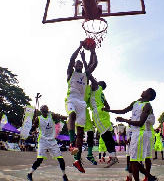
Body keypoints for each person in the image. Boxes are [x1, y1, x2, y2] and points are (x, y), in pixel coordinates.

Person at [106, 88, 158, 181]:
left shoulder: (147, 106)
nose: (143, 91)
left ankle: (148, 177)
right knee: (133, 161)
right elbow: (123, 111)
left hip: (140, 134)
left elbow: (140, 123)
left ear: (149, 96)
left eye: (146, 91)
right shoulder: (136, 102)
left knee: (135, 161)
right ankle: (150, 177)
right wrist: (109, 110)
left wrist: (124, 120)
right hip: (135, 134)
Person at [65, 41, 97, 173]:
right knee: (71, 115)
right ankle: (71, 144)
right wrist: (79, 46)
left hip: (81, 103)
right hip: (71, 99)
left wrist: (93, 50)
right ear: (74, 66)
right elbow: (72, 58)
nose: (78, 64)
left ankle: (77, 160)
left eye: (80, 63)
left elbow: (94, 64)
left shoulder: (85, 75)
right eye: (77, 63)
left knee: (80, 132)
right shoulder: (70, 73)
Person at [27, 105, 68, 181]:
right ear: (41, 111)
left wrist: (69, 117)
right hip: (43, 141)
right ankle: (30, 174)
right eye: (44, 112)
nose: (45, 113)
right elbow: (33, 127)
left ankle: (64, 175)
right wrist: (32, 131)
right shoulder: (38, 119)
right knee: (39, 160)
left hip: (52, 141)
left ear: (48, 111)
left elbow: (61, 117)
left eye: (46, 111)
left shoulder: (51, 116)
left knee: (61, 159)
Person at [89, 75, 118, 168]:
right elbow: (108, 107)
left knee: (106, 136)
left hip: (98, 112)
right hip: (103, 113)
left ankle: (113, 157)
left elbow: (89, 75)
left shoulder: (96, 88)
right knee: (107, 135)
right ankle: (113, 156)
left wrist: (86, 63)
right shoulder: (101, 93)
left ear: (98, 84)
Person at [143, 112, 155, 181]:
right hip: (143, 135)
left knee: (147, 157)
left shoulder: (151, 115)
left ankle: (147, 176)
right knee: (144, 157)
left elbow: (152, 122)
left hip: (149, 135)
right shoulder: (141, 115)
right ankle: (147, 175)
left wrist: (144, 119)